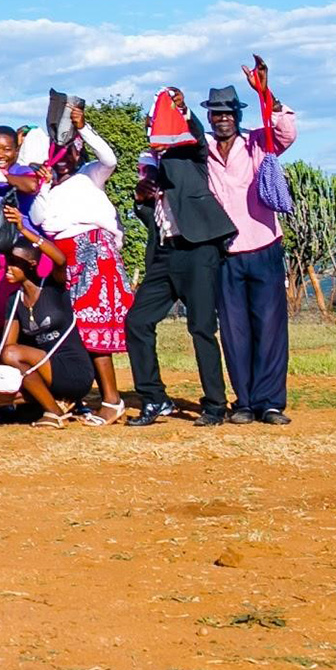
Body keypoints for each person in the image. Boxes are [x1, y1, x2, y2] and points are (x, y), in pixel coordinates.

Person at [125, 90, 239, 428]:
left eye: (157, 121)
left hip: (198, 249)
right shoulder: (149, 161)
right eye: (149, 123)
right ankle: (154, 399)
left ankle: (215, 406)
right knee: (137, 322)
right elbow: (151, 213)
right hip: (164, 252)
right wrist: (143, 199)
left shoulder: (188, 151)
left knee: (202, 328)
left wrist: (182, 110)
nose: (152, 127)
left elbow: (196, 133)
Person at [204, 60, 299, 425]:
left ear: (237, 115)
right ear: (211, 118)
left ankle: (270, 402)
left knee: (270, 327)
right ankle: (243, 401)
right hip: (226, 253)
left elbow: (287, 132)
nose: (223, 118)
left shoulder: (259, 142)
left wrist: (265, 92)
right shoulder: (205, 152)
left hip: (263, 247)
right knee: (235, 331)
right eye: (217, 113)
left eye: (228, 112)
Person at [25, 101, 132, 422]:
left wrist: (83, 127)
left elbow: (110, 158)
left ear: (78, 152)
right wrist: (42, 186)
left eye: (70, 150)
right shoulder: (48, 188)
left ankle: (112, 399)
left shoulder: (90, 175)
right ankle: (89, 397)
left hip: (96, 254)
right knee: (78, 330)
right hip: (66, 259)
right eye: (57, 151)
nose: (63, 157)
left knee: (94, 328)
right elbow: (42, 220)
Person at [0, 241, 97, 427]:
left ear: (31, 264)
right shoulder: (14, 300)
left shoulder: (52, 287)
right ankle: (54, 401)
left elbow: (61, 260)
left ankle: (54, 413)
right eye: (7, 261)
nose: (8, 268)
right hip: (41, 372)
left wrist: (23, 229)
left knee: (11, 354)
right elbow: (6, 347)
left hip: (74, 370)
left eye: (14, 263)